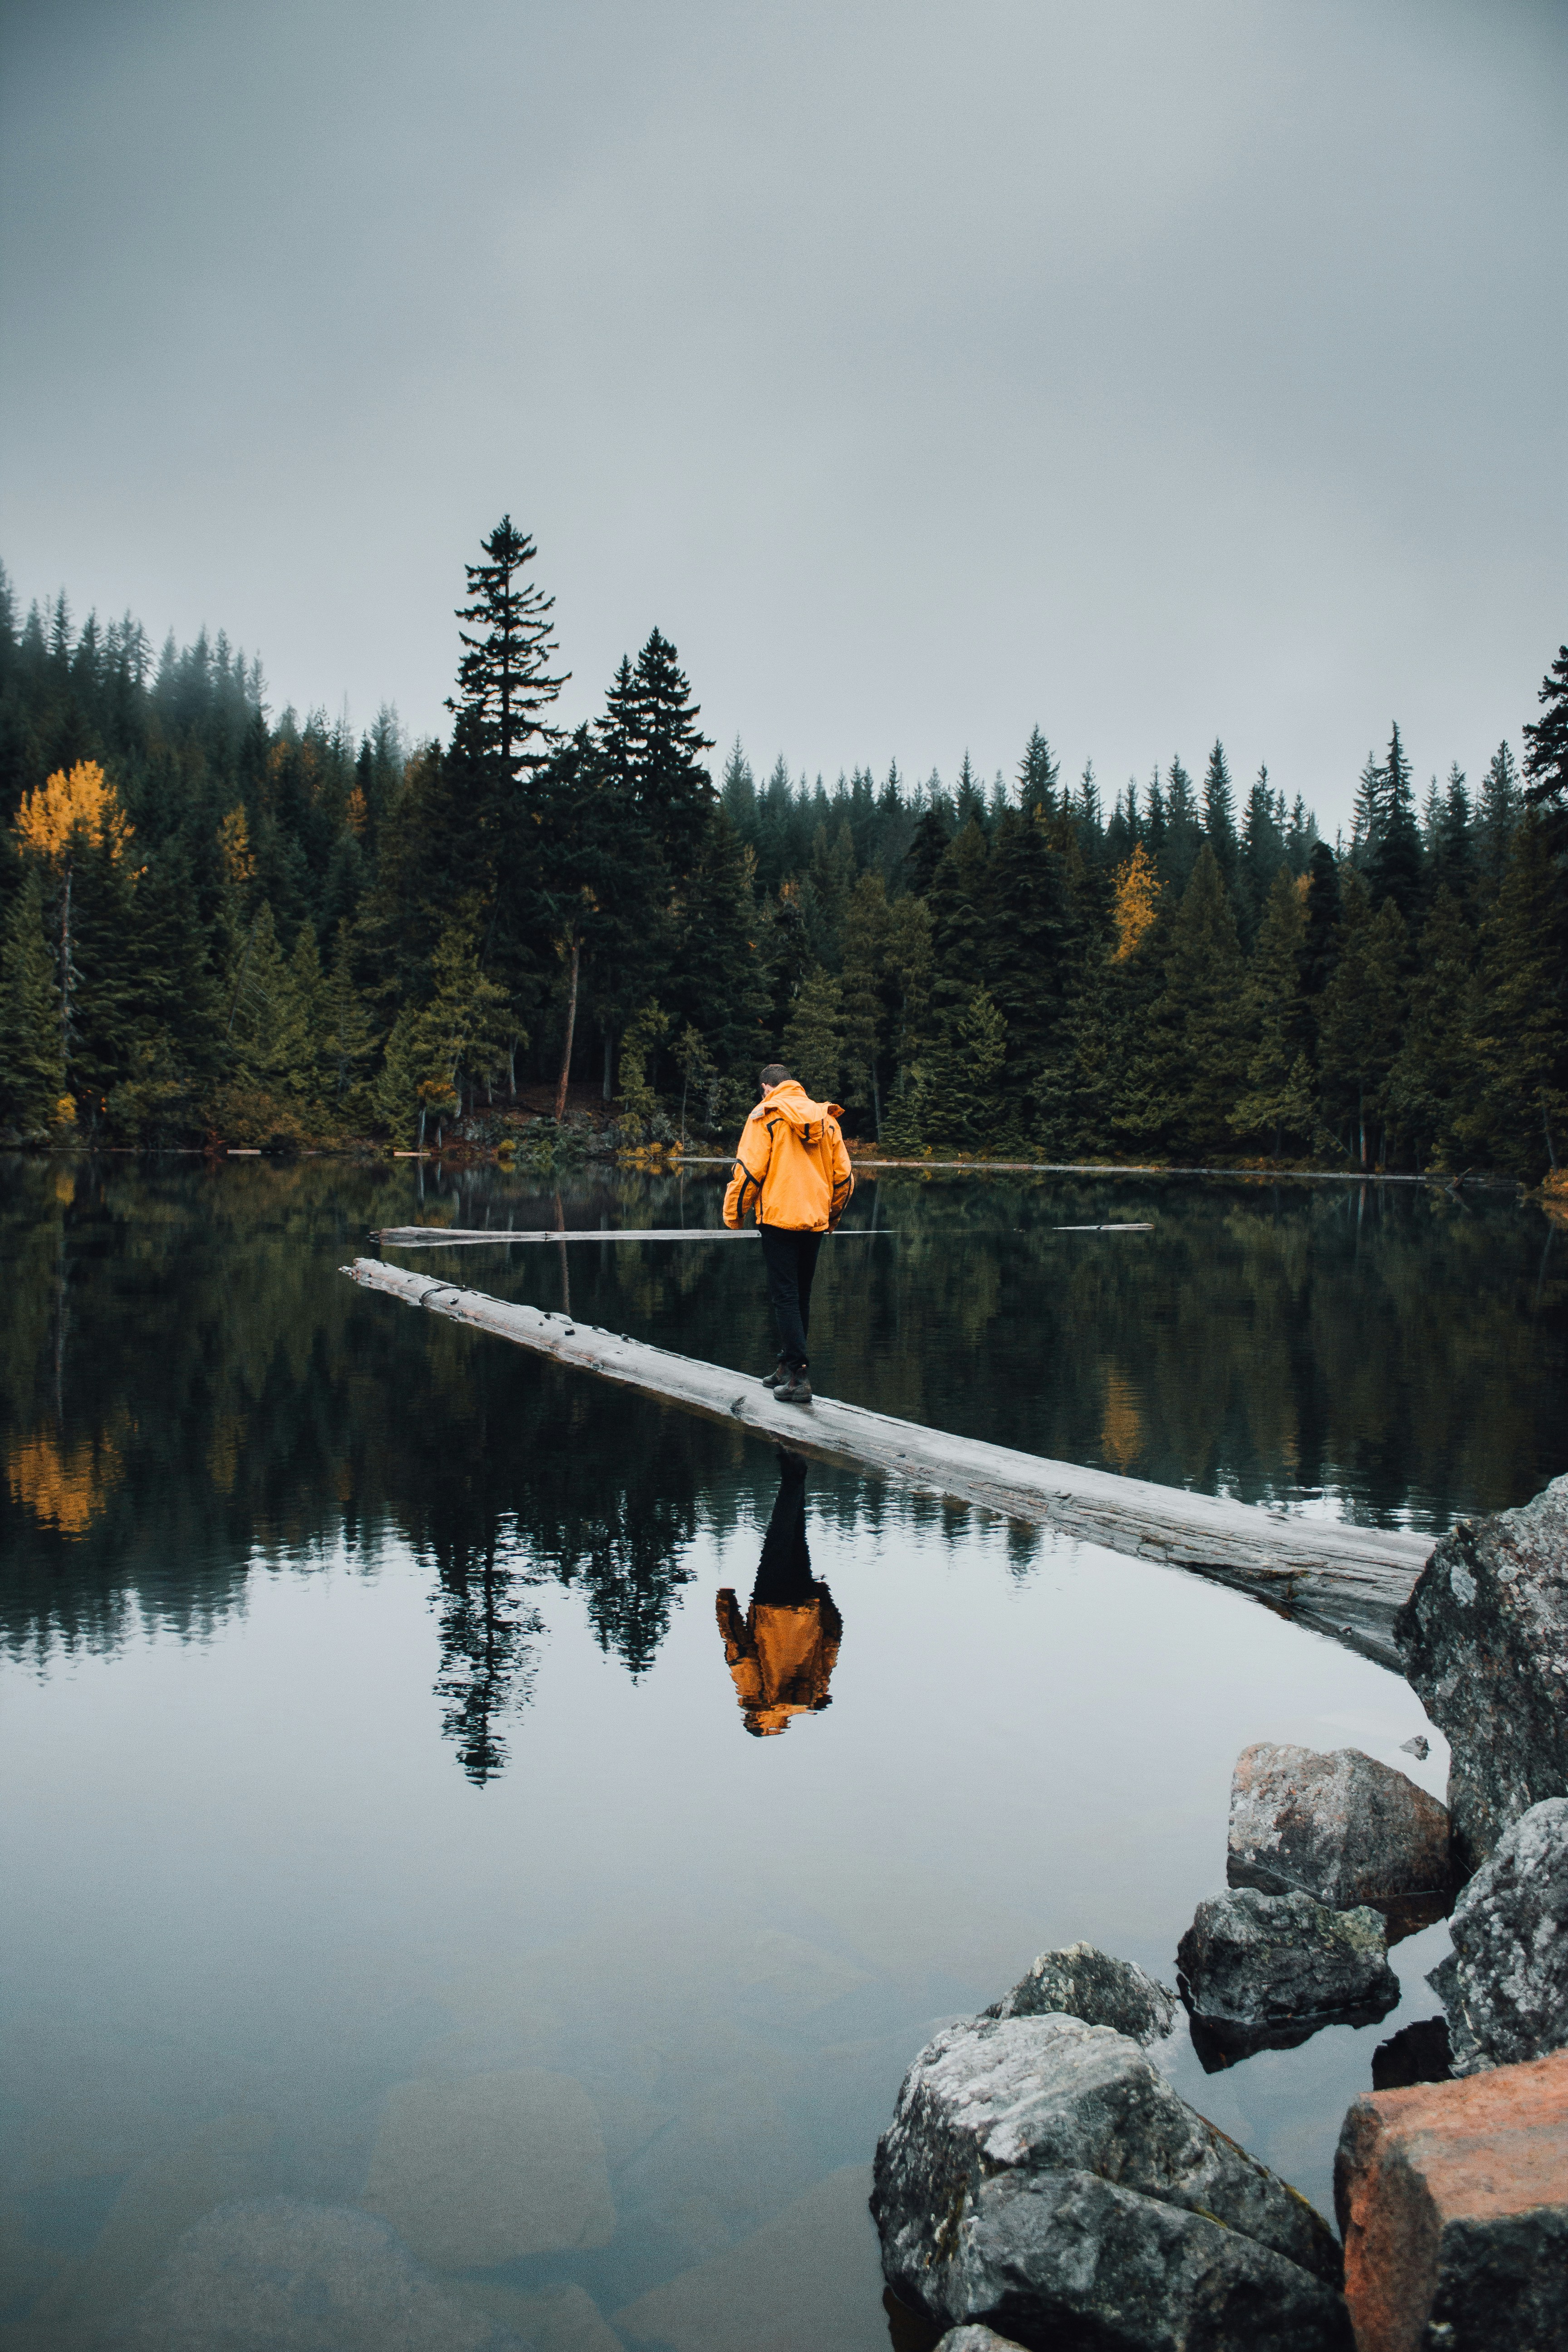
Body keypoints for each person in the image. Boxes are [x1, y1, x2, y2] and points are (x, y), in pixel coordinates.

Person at [722, 1060, 853, 1405]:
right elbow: (844, 1178)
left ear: (767, 1088)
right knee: (801, 1295)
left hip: (779, 1218)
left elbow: (749, 1171)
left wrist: (734, 1216)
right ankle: (786, 1366)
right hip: (813, 1219)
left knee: (784, 1296)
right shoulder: (826, 1119)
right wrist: (831, 1216)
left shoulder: (765, 1114)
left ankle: (799, 1376)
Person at [715, 1450, 842, 1737]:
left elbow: (831, 1644)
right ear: (758, 1721)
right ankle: (793, 1474)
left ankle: (795, 1474)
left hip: (808, 1609)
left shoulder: (813, 1694)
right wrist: (726, 1605)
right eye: (749, 1719)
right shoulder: (758, 1698)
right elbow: (741, 1655)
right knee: (779, 1538)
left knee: (797, 1537)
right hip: (771, 1607)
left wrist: (826, 1602)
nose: (746, 1713)